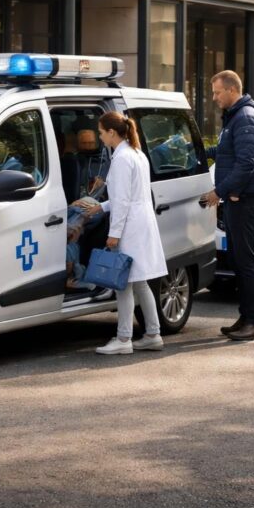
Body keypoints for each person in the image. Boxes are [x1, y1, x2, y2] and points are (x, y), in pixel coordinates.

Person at [82, 112, 167, 355]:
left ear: (111, 132)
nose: (99, 137)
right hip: (141, 223)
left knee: (124, 286)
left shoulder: (120, 160)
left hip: (130, 227)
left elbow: (121, 201)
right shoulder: (137, 154)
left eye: (100, 132)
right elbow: (128, 196)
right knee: (140, 284)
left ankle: (123, 339)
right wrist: (101, 206)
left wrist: (114, 234)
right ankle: (153, 333)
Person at [200, 70, 254, 341]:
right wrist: (201, 152)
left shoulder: (245, 118)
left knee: (246, 261)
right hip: (239, 198)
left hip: (245, 200)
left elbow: (246, 163)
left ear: (232, 90)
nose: (214, 98)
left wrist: (221, 192)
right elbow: (228, 151)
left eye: (217, 92)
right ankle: (247, 317)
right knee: (240, 260)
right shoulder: (236, 118)